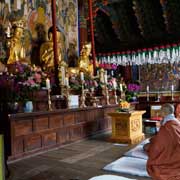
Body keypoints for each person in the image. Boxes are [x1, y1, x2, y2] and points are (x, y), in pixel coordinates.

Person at [144, 103, 180, 180]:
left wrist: (152, 143)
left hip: (174, 153)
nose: (159, 112)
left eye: (160, 111)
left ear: (164, 113)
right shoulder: (176, 121)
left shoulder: (167, 126)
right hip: (176, 147)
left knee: (146, 147)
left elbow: (159, 145)